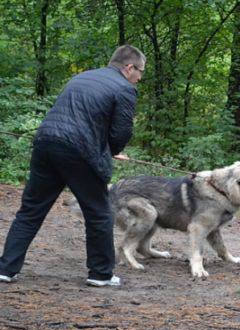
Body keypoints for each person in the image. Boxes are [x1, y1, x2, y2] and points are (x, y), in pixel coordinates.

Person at [0, 45, 146, 287]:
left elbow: (77, 116)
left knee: (30, 211)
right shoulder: (124, 88)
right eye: (140, 71)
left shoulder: (82, 76)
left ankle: (5, 269)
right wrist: (112, 149)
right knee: (99, 213)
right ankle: (100, 274)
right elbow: (121, 131)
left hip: (46, 143)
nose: (140, 78)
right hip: (79, 150)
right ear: (128, 67)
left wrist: (104, 147)